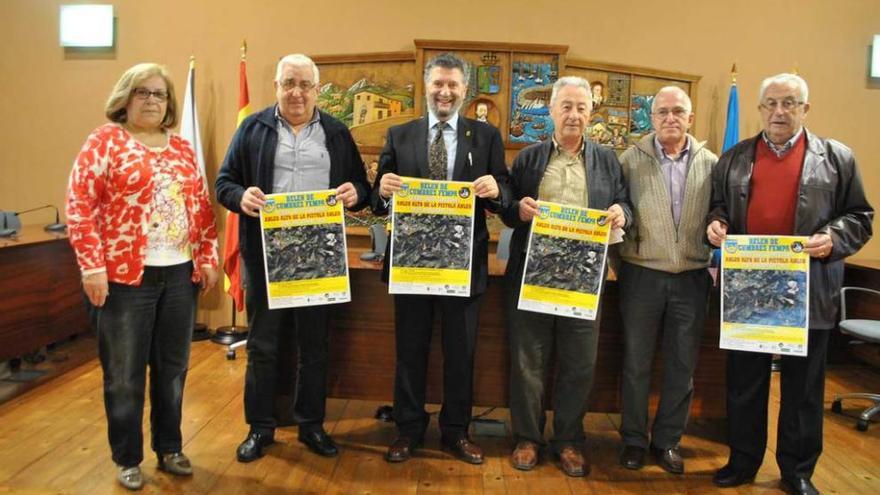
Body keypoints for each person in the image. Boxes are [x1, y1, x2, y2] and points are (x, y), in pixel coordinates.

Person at [707, 73, 873, 495]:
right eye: (771, 104)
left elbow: (860, 216)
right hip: (747, 287)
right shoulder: (735, 157)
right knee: (745, 382)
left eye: (790, 103)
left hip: (809, 288)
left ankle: (797, 471)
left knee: (803, 388)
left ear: (805, 109)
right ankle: (742, 461)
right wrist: (716, 224)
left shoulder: (837, 158)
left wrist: (833, 238)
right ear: (760, 109)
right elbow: (719, 206)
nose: (779, 112)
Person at [66, 63, 219, 490]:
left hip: (178, 276)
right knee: (124, 374)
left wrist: (206, 256)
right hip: (122, 280)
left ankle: (170, 447)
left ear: (169, 103)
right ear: (125, 99)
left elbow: (201, 208)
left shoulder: (183, 148)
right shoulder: (104, 142)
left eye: (160, 94)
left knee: (172, 369)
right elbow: (80, 206)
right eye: (142, 93)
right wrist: (93, 267)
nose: (152, 101)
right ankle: (127, 456)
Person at [215, 53, 370, 463]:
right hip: (267, 256)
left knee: (314, 346)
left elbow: (362, 186)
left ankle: (311, 425)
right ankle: (260, 427)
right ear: (276, 87)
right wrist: (240, 196)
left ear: (317, 90)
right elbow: (223, 182)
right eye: (289, 83)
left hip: (321, 259)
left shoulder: (336, 133)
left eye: (305, 85)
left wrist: (356, 192)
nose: (297, 92)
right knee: (264, 346)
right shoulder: (253, 128)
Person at [371, 53, 510, 465]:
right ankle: (408, 430)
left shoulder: (485, 137)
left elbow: (504, 191)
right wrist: (382, 189)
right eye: (438, 84)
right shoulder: (400, 135)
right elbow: (378, 199)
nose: (445, 92)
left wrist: (495, 189)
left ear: (465, 91)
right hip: (411, 267)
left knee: (460, 352)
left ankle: (456, 432)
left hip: (463, 268)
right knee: (410, 352)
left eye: (453, 85)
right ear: (426, 86)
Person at [499, 76, 631, 477]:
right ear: (552, 111)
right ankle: (527, 437)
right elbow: (507, 208)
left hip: (585, 278)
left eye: (581, 107)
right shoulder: (529, 158)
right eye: (566, 107)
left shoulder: (608, 159)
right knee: (529, 359)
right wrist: (517, 209)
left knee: (579, 362)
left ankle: (569, 440)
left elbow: (624, 201)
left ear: (591, 113)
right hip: (531, 275)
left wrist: (623, 213)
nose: (574, 115)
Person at [616, 86, 717, 474]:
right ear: (651, 118)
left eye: (678, 112)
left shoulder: (711, 162)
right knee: (635, 363)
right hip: (641, 276)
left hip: (692, 277)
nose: (670, 118)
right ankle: (633, 440)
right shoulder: (629, 160)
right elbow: (616, 212)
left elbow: (720, 211)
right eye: (662, 112)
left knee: (681, 365)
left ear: (690, 118)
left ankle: (668, 441)